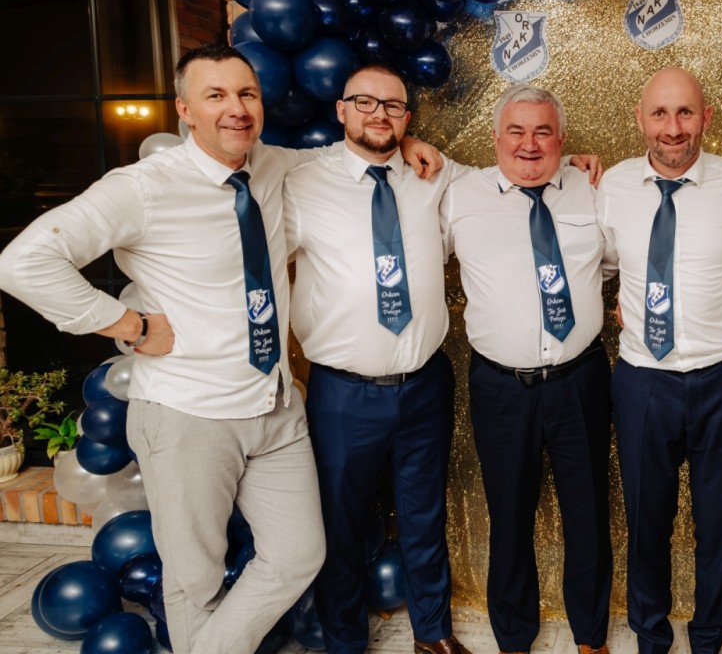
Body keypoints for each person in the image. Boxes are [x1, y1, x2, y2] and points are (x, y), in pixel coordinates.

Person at [0, 43, 325, 654]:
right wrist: (127, 323)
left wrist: (405, 145)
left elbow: (337, 159)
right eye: (215, 95)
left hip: (276, 408)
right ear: (184, 110)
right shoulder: (143, 188)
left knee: (298, 555)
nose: (236, 108)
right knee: (194, 581)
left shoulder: (273, 165)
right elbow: (23, 263)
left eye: (247, 93)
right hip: (188, 415)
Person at [284, 63, 469, 654]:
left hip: (425, 383)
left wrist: (577, 165)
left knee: (424, 514)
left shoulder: (434, 174)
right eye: (365, 102)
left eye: (392, 105)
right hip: (345, 393)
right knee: (340, 524)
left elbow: (512, 178)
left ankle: (432, 634)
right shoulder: (300, 181)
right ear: (341, 110)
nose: (379, 114)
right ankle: (345, 642)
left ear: (407, 118)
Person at [596, 67, 722, 654]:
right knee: (646, 519)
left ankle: (710, 636)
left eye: (686, 112)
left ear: (706, 118)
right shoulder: (611, 186)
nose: (673, 128)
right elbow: (598, 263)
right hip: (644, 380)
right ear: (640, 119)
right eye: (660, 114)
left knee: (719, 521)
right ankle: (650, 634)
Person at [440, 85, 613, 654]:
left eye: (542, 131)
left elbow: (616, 263)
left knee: (588, 514)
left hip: (580, 378)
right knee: (509, 515)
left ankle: (591, 637)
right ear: (496, 137)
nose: (529, 144)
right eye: (516, 131)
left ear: (562, 139)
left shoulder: (594, 189)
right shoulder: (459, 195)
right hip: (501, 386)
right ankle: (514, 638)